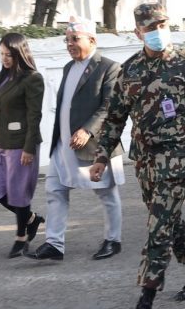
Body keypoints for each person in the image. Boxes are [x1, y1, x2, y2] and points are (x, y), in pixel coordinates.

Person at [90, 3, 185, 309]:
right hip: (146, 159)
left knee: (158, 228)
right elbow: (114, 118)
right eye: (149, 27)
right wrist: (100, 156)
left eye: (162, 24)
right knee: (167, 219)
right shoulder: (130, 70)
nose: (157, 31)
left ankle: (145, 302)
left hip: (180, 157)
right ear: (138, 32)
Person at [27, 18, 124, 262]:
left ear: (92, 40)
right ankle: (54, 244)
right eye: (67, 40)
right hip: (63, 144)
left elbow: (109, 107)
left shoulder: (109, 68)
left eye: (74, 39)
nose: (69, 44)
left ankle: (113, 240)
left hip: (95, 145)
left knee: (106, 193)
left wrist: (87, 130)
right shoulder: (69, 68)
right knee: (55, 190)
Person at [0, 33, 45, 258]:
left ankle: (21, 237)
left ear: (20, 53)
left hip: (21, 144)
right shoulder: (3, 76)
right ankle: (31, 219)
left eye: (9, 55)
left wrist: (29, 148)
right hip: (1, 144)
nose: (4, 59)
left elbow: (34, 116)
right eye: (2, 54)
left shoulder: (32, 78)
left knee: (19, 193)